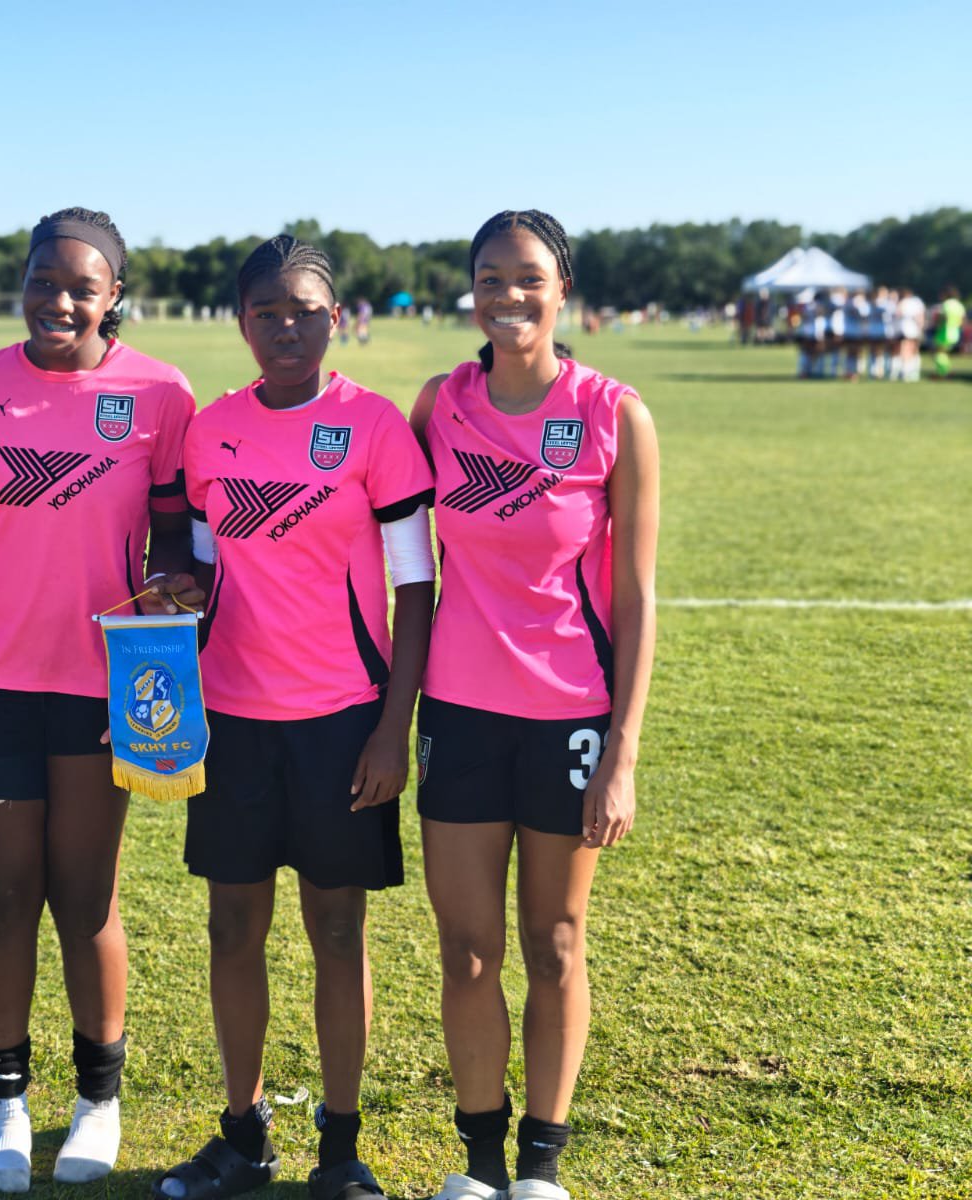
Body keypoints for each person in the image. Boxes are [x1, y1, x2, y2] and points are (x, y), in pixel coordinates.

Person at [153, 235, 436, 1200]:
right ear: (242, 322)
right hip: (232, 721)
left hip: (341, 721)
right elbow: (200, 575)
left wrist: (391, 728)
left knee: (337, 931)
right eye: (267, 312)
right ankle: (243, 1135)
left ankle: (341, 1147)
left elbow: (416, 587)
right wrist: (164, 652)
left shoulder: (374, 426)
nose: (287, 328)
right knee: (231, 927)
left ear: (335, 318)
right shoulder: (210, 432)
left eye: (305, 311)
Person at [0, 207, 202, 1192]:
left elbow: (178, 535)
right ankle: (6, 1104)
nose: (58, 301)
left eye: (81, 287)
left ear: (113, 295)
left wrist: (177, 584)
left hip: (108, 682)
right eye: (43, 281)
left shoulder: (160, 394)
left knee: (85, 898)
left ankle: (97, 1101)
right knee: (5, 896)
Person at [409, 211, 659, 1200]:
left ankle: (541, 1167)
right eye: (489, 278)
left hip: (571, 716)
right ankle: (478, 1165)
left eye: (527, 278)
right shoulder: (440, 404)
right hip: (459, 714)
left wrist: (622, 754)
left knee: (553, 946)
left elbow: (636, 597)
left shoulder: (613, 413)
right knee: (467, 952)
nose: (507, 296)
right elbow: (384, 536)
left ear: (563, 290)